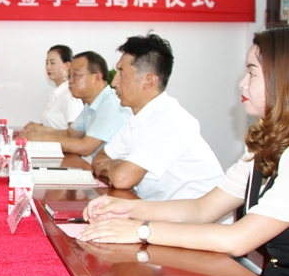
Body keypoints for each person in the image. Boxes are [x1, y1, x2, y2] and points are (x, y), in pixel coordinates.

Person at [79, 26, 289, 276]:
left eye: (252, 73)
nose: (241, 83)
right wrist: (127, 209)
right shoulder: (265, 144)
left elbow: (238, 240)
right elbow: (203, 208)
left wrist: (140, 230)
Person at [91, 33, 223, 201]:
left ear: (149, 80)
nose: (114, 82)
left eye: (121, 73)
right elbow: (99, 159)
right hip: (160, 211)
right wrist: (117, 166)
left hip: (193, 216)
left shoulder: (168, 120)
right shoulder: (139, 118)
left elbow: (123, 179)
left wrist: (115, 165)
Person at [21, 51, 132, 159]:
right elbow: (70, 134)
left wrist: (41, 138)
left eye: (76, 75)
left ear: (97, 78)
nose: (70, 81)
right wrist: (37, 131)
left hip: (114, 169)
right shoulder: (91, 105)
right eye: (69, 76)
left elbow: (85, 147)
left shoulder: (112, 104)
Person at [24, 45, 84, 131]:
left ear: (67, 65)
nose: (48, 67)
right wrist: (37, 127)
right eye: (47, 63)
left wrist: (39, 128)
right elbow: (56, 126)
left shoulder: (69, 95)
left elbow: (76, 132)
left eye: (52, 63)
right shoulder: (55, 93)